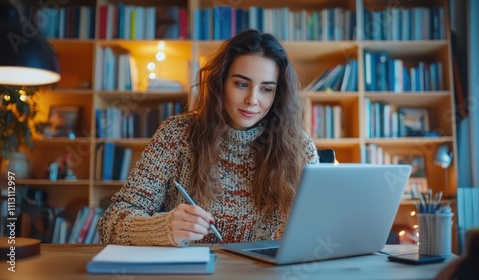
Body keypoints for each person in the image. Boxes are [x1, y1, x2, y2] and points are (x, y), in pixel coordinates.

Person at [97, 29, 319, 247]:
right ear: (220, 83)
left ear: (278, 93)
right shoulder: (177, 134)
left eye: (266, 89)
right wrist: (164, 228)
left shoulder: (299, 146)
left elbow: (320, 229)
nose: (252, 99)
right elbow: (111, 223)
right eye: (241, 84)